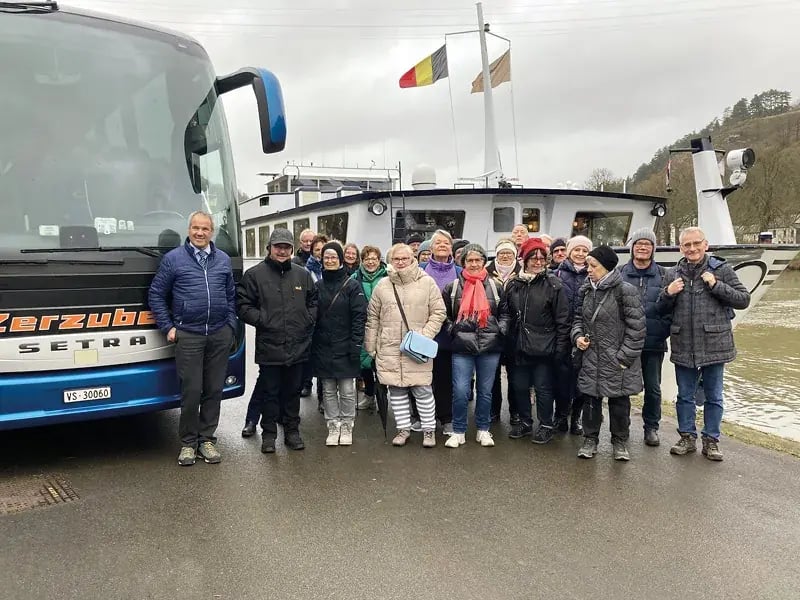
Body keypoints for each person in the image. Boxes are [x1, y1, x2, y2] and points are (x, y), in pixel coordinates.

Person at [148, 211, 237, 466]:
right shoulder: (173, 259)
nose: (200, 233)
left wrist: (230, 324)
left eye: (205, 229)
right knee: (191, 390)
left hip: (219, 334)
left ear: (212, 232)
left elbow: (231, 296)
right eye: (196, 228)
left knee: (214, 389)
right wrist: (168, 327)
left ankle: (207, 440)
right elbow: (156, 295)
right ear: (189, 230)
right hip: (189, 335)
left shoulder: (222, 260)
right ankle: (188, 443)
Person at [658, 226, 750, 461]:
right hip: (684, 343)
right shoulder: (672, 274)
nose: (692, 248)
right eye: (687, 245)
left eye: (696, 243)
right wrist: (668, 293)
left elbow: (743, 299)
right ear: (681, 248)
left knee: (714, 396)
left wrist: (716, 284)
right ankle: (687, 437)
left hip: (715, 343)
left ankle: (711, 440)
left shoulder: (722, 269)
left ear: (705, 245)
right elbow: (659, 309)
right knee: (685, 395)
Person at [237, 228, 318, 454]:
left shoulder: (302, 275)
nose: (282, 251)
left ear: (292, 249)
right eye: (278, 247)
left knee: (292, 392)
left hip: (298, 345)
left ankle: (292, 432)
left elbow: (314, 300)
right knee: (270, 392)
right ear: (269, 248)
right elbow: (243, 305)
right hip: (269, 345)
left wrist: (308, 319)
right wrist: (262, 320)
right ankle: (269, 435)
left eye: (286, 247)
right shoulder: (255, 275)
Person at [364, 243, 446, 448]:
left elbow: (439, 312)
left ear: (413, 259)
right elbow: (373, 317)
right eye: (396, 259)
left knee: (423, 390)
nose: (400, 262)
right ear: (390, 261)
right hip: (389, 346)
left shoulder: (427, 282)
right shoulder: (383, 285)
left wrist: (424, 336)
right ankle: (403, 429)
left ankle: (428, 430)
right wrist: (371, 346)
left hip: (417, 347)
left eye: (404, 258)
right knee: (397, 391)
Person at [572, 245, 646, 461]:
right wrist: (577, 337)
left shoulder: (625, 291)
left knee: (619, 402)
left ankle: (620, 441)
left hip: (617, 358)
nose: (588, 269)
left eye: (593, 266)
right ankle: (590, 439)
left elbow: (637, 329)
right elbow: (577, 319)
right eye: (587, 265)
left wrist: (624, 358)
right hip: (592, 355)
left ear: (607, 268)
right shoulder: (586, 290)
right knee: (591, 399)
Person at [499, 237, 570, 443]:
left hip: (544, 347)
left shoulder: (554, 285)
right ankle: (525, 422)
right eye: (533, 258)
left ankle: (546, 424)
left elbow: (563, 320)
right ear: (525, 259)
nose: (538, 262)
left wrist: (560, 348)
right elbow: (506, 313)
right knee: (519, 386)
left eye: (541, 258)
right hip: (518, 346)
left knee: (543, 388)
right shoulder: (513, 284)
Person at [442, 244, 507, 448]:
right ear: (463, 263)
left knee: (485, 391)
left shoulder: (495, 286)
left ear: (483, 262)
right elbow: (444, 316)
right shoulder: (452, 288)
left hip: (489, 345)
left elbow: (505, 313)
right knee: (460, 390)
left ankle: (483, 429)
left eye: (478, 260)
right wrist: (453, 330)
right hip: (462, 346)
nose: (474, 264)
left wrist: (499, 329)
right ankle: (459, 430)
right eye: (470, 260)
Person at [312, 242, 367, 446]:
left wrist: (356, 345)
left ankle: (347, 423)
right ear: (322, 259)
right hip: (323, 346)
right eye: (326, 257)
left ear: (341, 259)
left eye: (334, 256)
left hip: (346, 345)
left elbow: (359, 317)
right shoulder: (317, 286)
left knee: (347, 389)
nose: (330, 260)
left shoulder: (352, 285)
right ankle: (332, 424)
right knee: (327, 389)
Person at [619, 228, 671, 446]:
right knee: (624, 387)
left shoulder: (665, 275)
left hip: (653, 341)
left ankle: (651, 427)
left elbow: (670, 306)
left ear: (653, 249)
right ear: (632, 247)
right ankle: (622, 428)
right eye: (638, 244)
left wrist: (663, 329)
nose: (642, 247)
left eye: (647, 244)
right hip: (627, 341)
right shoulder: (620, 273)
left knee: (653, 388)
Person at [420, 229, 461, 434]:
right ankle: (423, 417)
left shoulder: (460, 272)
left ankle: (446, 418)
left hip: (449, 336)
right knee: (423, 379)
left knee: (445, 379)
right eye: (438, 243)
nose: (442, 245)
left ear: (451, 247)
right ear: (431, 247)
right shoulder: (419, 269)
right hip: (423, 333)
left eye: (446, 243)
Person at [554, 235, 593, 434]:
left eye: (584, 251)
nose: (580, 254)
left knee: (581, 380)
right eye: (576, 250)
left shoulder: (594, 275)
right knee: (562, 378)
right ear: (569, 252)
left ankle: (575, 417)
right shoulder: (557, 274)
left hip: (585, 335)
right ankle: (560, 415)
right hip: (562, 333)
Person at [486, 238, 521, 422]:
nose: (505, 256)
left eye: (509, 253)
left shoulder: (522, 273)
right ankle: (494, 410)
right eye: (502, 253)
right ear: (496, 255)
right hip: (494, 332)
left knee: (515, 376)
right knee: (493, 376)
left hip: (516, 333)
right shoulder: (486, 273)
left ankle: (515, 411)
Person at [351, 245, 388, 411]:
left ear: (379, 260)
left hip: (385, 327)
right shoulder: (355, 278)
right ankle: (369, 395)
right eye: (367, 259)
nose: (371, 262)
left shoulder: (388, 276)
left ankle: (382, 398)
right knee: (364, 364)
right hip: (364, 326)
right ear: (362, 261)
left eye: (374, 258)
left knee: (382, 365)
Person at [300, 233, 328, 399]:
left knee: (324, 358)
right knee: (310, 355)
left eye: (323, 249)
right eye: (317, 249)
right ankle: (307, 383)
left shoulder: (333, 268)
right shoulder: (305, 272)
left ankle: (323, 395)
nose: (320, 252)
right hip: (312, 318)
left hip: (328, 318)